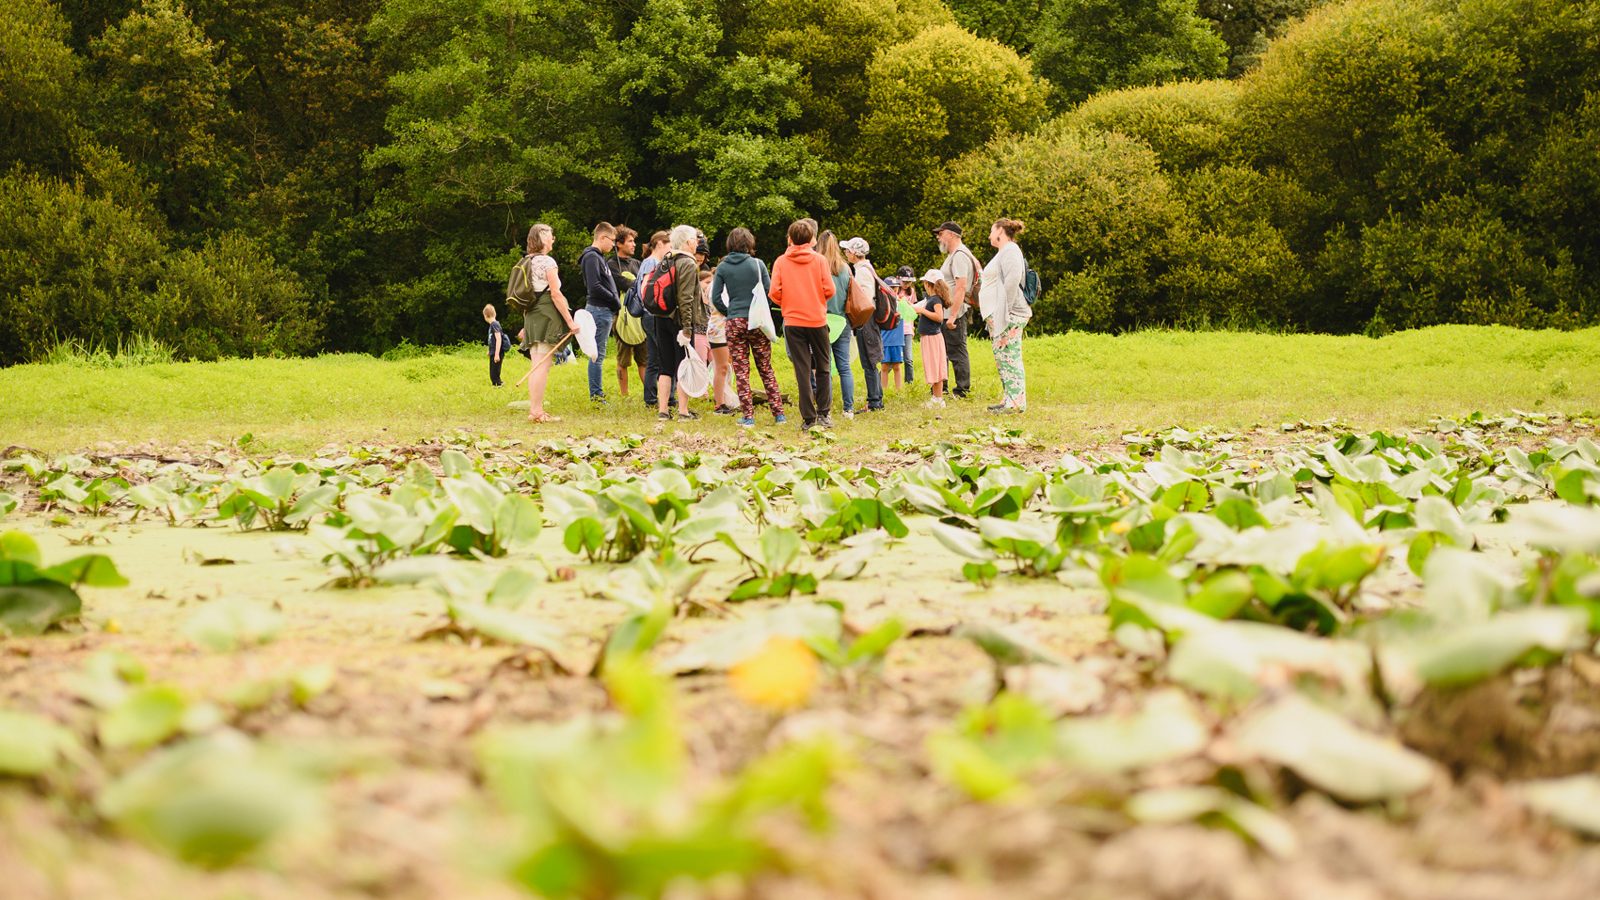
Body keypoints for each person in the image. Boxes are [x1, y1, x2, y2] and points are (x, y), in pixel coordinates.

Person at [711, 227, 787, 427]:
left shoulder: (723, 266)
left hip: (735, 321)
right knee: (765, 367)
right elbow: (770, 292)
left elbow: (715, 298)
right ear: (749, 243)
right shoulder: (757, 264)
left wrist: (730, 313)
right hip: (757, 321)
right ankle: (778, 413)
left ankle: (748, 416)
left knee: (741, 370)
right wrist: (760, 311)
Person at [769, 218, 836, 432]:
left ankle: (808, 418)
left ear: (790, 239)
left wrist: (788, 303)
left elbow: (774, 293)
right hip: (817, 320)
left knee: (802, 370)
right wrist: (815, 300)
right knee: (823, 367)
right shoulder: (819, 261)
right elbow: (830, 290)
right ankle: (824, 414)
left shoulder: (781, 261)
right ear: (811, 239)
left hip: (793, 322)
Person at [517, 223, 578, 423]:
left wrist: (526, 325)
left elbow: (528, 296)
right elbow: (555, 294)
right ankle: (537, 411)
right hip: (546, 317)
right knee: (542, 365)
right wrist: (570, 322)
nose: (553, 240)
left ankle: (535, 409)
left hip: (532, 316)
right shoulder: (547, 262)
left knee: (537, 364)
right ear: (543, 238)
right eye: (551, 236)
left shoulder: (527, 261)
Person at [654, 225, 705, 422]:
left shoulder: (666, 259)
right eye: (694, 239)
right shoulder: (688, 263)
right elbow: (686, 298)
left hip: (661, 316)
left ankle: (663, 410)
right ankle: (683, 411)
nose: (697, 242)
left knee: (665, 365)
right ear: (686, 242)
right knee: (683, 363)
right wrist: (687, 327)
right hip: (679, 321)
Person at [981, 218, 1032, 413]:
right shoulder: (1003, 252)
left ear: (1000, 232)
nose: (989, 236)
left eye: (991, 231)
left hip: (1008, 315)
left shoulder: (1010, 250)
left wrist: (1004, 312)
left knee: (1010, 357)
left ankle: (1017, 403)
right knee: (1002, 358)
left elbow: (1012, 281)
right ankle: (1008, 399)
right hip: (999, 315)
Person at [933, 221, 978, 399]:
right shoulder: (954, 254)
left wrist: (952, 315)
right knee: (944, 350)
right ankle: (942, 387)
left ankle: (962, 390)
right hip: (948, 312)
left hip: (955, 313)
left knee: (956, 350)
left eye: (941, 233)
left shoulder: (960, 255)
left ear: (951, 234)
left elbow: (961, 287)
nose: (938, 237)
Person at [840, 237, 884, 413]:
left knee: (869, 360)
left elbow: (865, 299)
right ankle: (875, 399)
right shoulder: (864, 268)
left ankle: (874, 401)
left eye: (848, 251)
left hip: (867, 318)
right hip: (868, 319)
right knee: (869, 360)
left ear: (855, 253)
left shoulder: (862, 271)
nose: (845, 253)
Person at [579, 222, 619, 404]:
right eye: (612, 240)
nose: (613, 245)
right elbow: (594, 287)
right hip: (599, 310)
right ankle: (596, 395)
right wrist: (613, 298)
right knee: (597, 354)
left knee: (599, 353)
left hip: (604, 310)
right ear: (602, 238)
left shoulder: (599, 257)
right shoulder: (591, 257)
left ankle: (597, 393)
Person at [817, 231, 856, 418]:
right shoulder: (846, 269)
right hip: (842, 320)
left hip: (823, 320)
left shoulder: (817, 266)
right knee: (844, 367)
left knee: (825, 367)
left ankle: (827, 408)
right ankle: (848, 408)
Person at [608, 226, 648, 400]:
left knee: (644, 359)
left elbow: (644, 284)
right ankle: (624, 395)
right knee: (623, 360)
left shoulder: (637, 264)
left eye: (634, 241)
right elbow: (620, 282)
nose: (634, 245)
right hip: (621, 317)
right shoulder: (611, 263)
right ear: (619, 243)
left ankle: (650, 393)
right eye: (630, 241)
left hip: (639, 317)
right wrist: (637, 284)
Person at [638, 230, 671, 408]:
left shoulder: (649, 262)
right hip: (652, 314)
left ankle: (650, 397)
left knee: (653, 358)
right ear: (659, 244)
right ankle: (667, 397)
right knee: (664, 356)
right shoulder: (652, 263)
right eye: (669, 245)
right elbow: (646, 290)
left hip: (648, 315)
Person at [701, 266, 736, 413]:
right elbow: (723, 305)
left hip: (725, 327)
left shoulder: (723, 284)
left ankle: (726, 398)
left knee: (727, 366)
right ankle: (719, 404)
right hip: (719, 329)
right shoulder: (716, 286)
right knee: (721, 367)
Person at [916, 270, 951, 408]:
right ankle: (936, 397)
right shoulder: (930, 299)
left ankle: (938, 398)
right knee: (935, 367)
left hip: (933, 338)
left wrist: (922, 311)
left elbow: (939, 317)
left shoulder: (935, 300)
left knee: (936, 367)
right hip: (929, 337)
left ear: (928, 284)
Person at [878, 278, 905, 390]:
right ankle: (883, 390)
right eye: (891, 288)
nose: (894, 290)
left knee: (897, 366)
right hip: (884, 340)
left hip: (897, 341)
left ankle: (899, 390)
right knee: (884, 367)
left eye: (896, 288)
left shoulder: (902, 303)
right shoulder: (882, 304)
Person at [897, 265, 917, 384]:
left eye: (909, 282)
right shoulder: (894, 290)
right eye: (905, 282)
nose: (906, 284)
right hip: (896, 328)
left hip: (908, 328)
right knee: (894, 358)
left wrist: (913, 327)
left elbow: (913, 310)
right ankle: (879, 380)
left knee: (908, 358)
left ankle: (909, 382)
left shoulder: (912, 292)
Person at [483, 303, 510, 387]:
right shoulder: (493, 325)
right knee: (493, 369)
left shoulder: (494, 324)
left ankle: (498, 384)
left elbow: (498, 339)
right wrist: (490, 350)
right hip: (493, 351)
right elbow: (492, 340)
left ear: (485, 316)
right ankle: (496, 383)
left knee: (495, 370)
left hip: (497, 352)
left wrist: (497, 354)